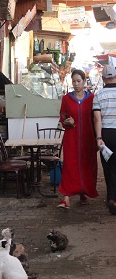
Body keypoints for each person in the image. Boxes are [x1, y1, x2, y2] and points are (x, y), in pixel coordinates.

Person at [57, 69, 99, 208]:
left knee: (87, 165)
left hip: (88, 138)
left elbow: (96, 119)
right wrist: (66, 122)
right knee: (70, 166)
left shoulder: (91, 98)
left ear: (84, 82)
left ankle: (83, 193)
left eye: (78, 81)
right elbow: (62, 116)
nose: (76, 84)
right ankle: (66, 198)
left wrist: (98, 138)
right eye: (74, 81)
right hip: (71, 138)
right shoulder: (66, 99)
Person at [93, 65, 116, 214]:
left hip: (107, 134)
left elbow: (96, 118)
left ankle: (112, 198)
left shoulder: (98, 95)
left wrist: (99, 137)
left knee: (109, 167)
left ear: (103, 79)